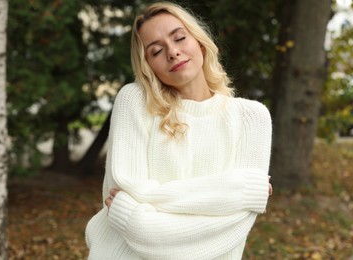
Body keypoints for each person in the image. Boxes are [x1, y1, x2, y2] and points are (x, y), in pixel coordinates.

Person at [85, 1, 272, 259]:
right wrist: (234, 190)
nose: (172, 52)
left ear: (199, 41)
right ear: (147, 66)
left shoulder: (252, 118)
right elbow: (139, 229)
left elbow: (232, 229)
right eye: (156, 51)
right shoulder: (136, 101)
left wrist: (138, 209)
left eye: (180, 38)